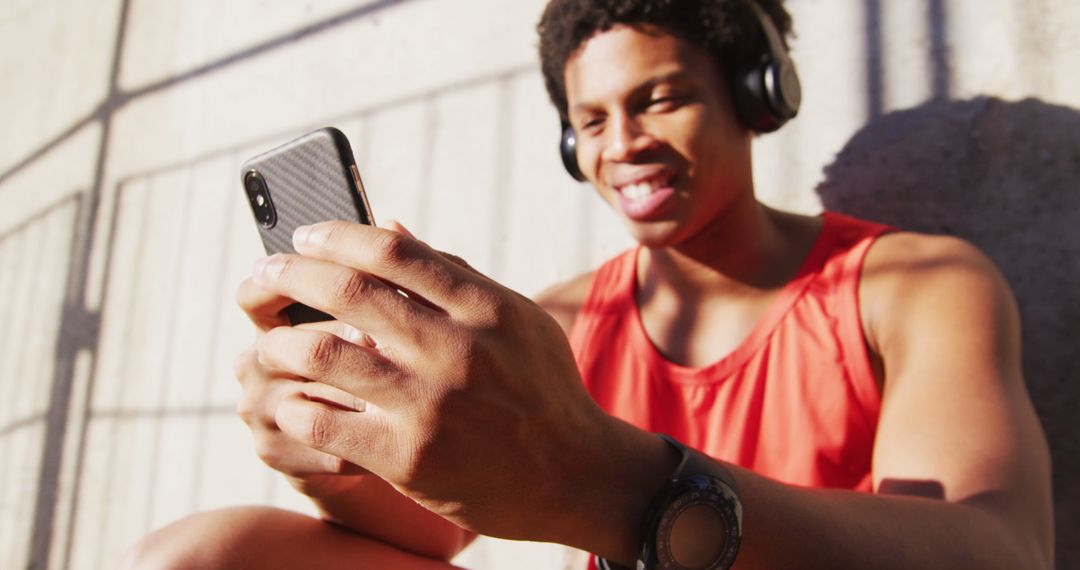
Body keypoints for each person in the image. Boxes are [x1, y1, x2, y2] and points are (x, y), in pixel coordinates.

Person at [125, 0, 1054, 568]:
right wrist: (332, 451)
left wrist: (613, 484)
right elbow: (440, 535)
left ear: (755, 92)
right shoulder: (558, 319)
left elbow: (1001, 555)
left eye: (661, 98)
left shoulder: (912, 282)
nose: (625, 144)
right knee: (201, 556)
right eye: (593, 120)